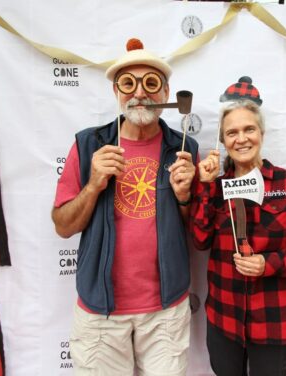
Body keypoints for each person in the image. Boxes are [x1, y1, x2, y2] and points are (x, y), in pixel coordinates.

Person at [52, 38, 198, 375]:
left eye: (151, 83)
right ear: (116, 92)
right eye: (128, 83)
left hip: (166, 311)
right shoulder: (89, 145)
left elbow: (196, 227)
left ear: (165, 93)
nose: (139, 93)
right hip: (100, 313)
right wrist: (93, 184)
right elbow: (63, 226)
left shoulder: (183, 148)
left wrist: (185, 196)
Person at [191, 77, 286, 376]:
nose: (241, 139)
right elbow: (200, 240)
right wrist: (204, 186)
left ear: (261, 133)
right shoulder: (215, 187)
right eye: (232, 133)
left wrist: (269, 263)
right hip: (224, 320)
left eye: (248, 129)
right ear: (223, 141)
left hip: (275, 322)